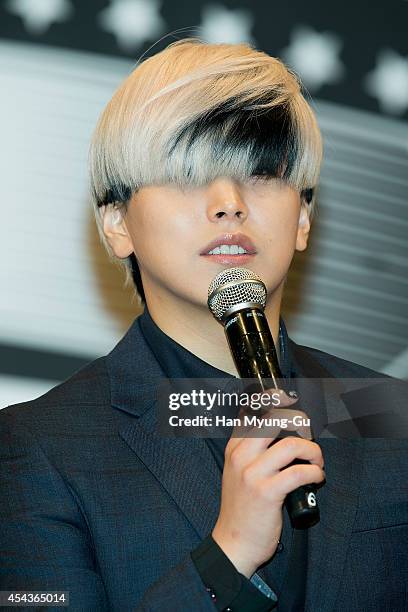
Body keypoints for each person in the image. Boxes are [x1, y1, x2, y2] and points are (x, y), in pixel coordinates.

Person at [0, 38, 407, 612]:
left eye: (261, 172)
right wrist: (228, 556)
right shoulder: (40, 448)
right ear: (118, 223)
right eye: (188, 173)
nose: (229, 203)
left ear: (304, 218)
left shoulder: (388, 411)